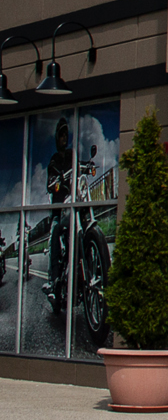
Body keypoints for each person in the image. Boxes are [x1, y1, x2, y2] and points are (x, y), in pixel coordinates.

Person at [45, 118, 73, 307]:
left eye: (65, 134)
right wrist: (55, 183)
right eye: (61, 135)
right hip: (58, 207)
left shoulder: (72, 155)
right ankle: (53, 279)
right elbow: (49, 183)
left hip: (72, 202)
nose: (64, 137)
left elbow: (80, 166)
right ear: (57, 137)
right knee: (55, 232)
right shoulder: (54, 160)